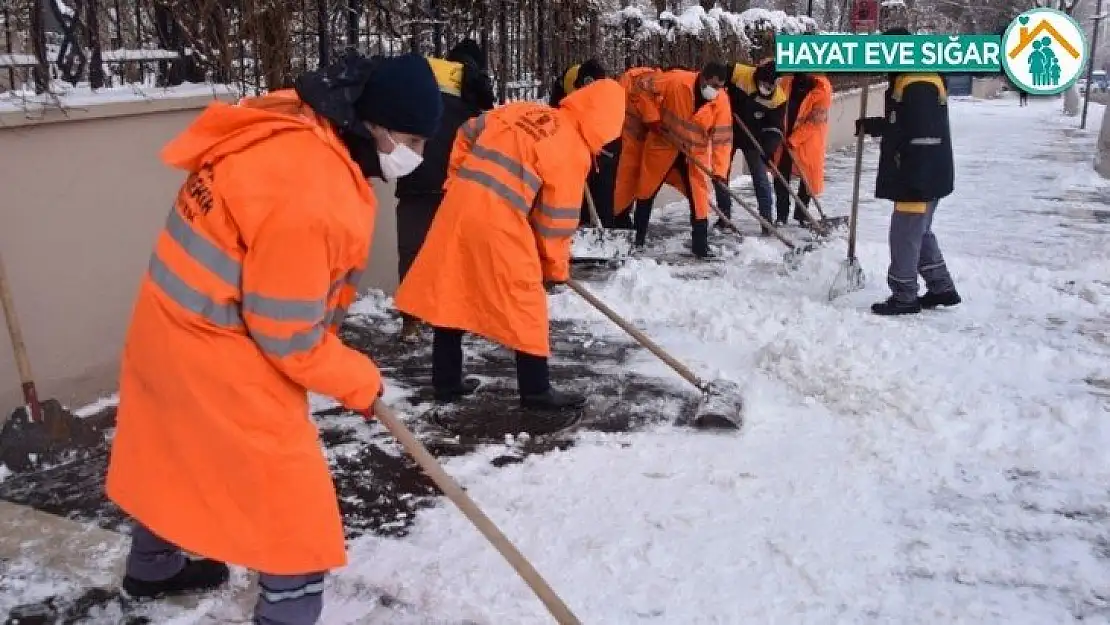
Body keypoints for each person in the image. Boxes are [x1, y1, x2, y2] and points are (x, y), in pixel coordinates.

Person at [104, 51, 444, 623]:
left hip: (169, 328)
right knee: (290, 500)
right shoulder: (312, 190)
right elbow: (288, 337)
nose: (418, 154)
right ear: (375, 125)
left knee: (173, 451)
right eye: (413, 138)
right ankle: (285, 614)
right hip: (220, 352)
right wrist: (358, 378)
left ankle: (152, 567)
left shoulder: (289, 123)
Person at [394, 79, 626, 415]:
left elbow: (468, 129)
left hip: (457, 208)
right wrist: (554, 268)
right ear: (605, 122)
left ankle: (446, 382)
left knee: (452, 287)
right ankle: (536, 391)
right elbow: (555, 222)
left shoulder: (526, 110)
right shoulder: (571, 149)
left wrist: (457, 179)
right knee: (527, 299)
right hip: (498, 222)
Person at [394, 39, 495, 342]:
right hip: (456, 182)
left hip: (415, 176)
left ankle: (412, 321)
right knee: (453, 253)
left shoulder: (424, 74)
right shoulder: (474, 84)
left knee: (412, 250)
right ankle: (450, 318)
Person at [856, 28, 961, 316]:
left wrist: (913, 180)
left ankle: (904, 295)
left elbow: (923, 136)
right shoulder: (916, 75)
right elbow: (905, 124)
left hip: (919, 174)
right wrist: (875, 125)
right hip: (926, 172)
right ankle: (941, 287)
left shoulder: (917, 82)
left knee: (904, 235)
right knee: (920, 232)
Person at [612, 61, 733, 258]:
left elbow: (723, 139)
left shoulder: (721, 102)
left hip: (694, 155)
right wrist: (652, 118)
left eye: (719, 86)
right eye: (712, 85)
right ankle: (637, 239)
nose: (715, 90)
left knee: (699, 199)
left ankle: (700, 246)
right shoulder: (676, 81)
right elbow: (641, 87)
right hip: (663, 145)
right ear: (702, 77)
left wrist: (720, 171)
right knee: (646, 191)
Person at [549, 59, 618, 227]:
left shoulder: (608, 95)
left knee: (604, 187)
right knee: (576, 187)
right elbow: (559, 116)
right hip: (574, 145)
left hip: (605, 147)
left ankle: (606, 224)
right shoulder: (566, 92)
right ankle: (579, 223)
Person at [721, 58, 785, 235]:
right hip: (728, 131)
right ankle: (724, 216)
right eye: (764, 83)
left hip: (754, 138)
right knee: (721, 174)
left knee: (760, 179)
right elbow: (717, 81)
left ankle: (766, 222)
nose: (767, 88)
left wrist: (768, 149)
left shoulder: (778, 98)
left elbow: (775, 128)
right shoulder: (739, 72)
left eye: (770, 86)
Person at [774, 71, 832, 227]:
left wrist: (793, 139)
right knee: (780, 174)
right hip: (784, 134)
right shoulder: (787, 81)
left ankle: (801, 213)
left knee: (808, 177)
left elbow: (815, 122)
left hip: (809, 139)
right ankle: (781, 215)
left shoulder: (823, 89)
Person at [611, 65, 663, 230]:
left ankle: (621, 216)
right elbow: (651, 116)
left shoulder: (640, 78)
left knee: (628, 182)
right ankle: (620, 219)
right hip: (628, 140)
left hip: (629, 138)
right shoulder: (651, 81)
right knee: (626, 182)